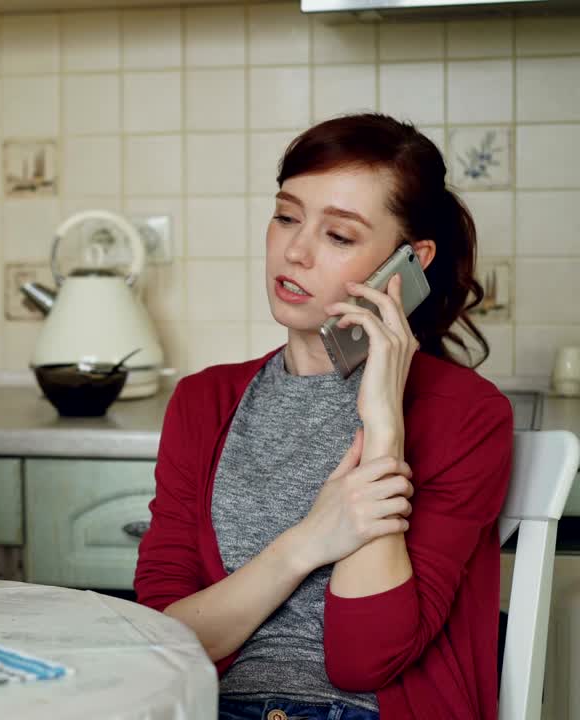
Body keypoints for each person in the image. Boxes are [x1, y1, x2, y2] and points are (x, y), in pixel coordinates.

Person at [134, 114, 512, 720]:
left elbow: (366, 659)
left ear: (409, 261)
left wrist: (384, 424)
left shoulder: (467, 416)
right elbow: (167, 639)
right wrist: (309, 542)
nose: (295, 250)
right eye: (286, 216)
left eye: (338, 236)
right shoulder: (202, 402)